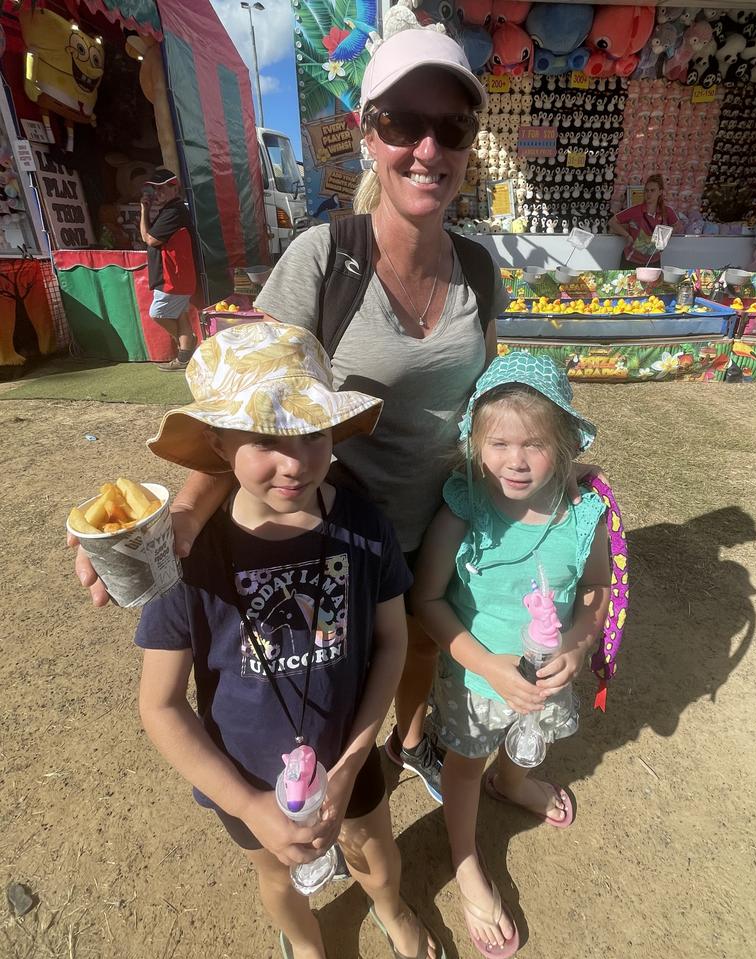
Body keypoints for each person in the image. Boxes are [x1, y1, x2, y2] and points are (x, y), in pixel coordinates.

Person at [75, 28, 510, 804]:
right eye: (406, 122)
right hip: (337, 533)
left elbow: (485, 394)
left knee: (416, 651)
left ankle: (412, 743)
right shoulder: (321, 257)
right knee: (339, 676)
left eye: (453, 126)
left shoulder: (478, 265)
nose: (428, 147)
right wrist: (172, 524)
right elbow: (247, 403)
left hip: (442, 524)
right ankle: (329, 789)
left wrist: (539, 469)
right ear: (372, 133)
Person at [136, 322, 447, 959]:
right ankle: (307, 948)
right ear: (217, 447)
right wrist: (247, 806)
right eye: (265, 443)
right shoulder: (189, 559)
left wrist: (354, 758)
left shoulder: (360, 522)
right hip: (246, 778)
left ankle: (393, 911)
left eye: (312, 434)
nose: (295, 463)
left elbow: (393, 643)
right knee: (277, 877)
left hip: (350, 753)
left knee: (374, 848)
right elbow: (159, 705)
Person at [410, 353, 610, 959]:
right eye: (498, 443)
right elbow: (427, 599)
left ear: (567, 444)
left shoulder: (583, 517)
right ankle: (467, 862)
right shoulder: (463, 509)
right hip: (475, 679)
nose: (515, 461)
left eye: (535, 445)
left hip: (543, 678)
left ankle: (515, 780)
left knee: (530, 739)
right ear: (475, 443)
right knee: (463, 768)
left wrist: (578, 644)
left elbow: (596, 594)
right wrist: (487, 663)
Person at [140, 167, 198, 371]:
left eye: (161, 188)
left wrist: (144, 210)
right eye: (154, 189)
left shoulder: (173, 211)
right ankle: (185, 356)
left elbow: (149, 239)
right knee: (180, 316)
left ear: (174, 188)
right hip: (178, 277)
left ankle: (187, 347)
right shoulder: (173, 209)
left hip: (173, 278)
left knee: (158, 313)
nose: (157, 193)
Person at [608, 174, 682, 269]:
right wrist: (627, 236)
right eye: (646, 190)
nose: (649, 193)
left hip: (654, 260)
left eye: (652, 190)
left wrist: (666, 235)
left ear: (660, 192)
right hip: (632, 260)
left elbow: (678, 226)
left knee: (653, 284)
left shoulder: (667, 211)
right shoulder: (635, 210)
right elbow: (612, 222)